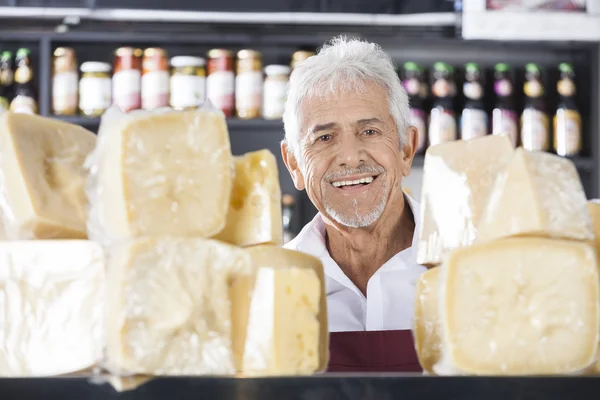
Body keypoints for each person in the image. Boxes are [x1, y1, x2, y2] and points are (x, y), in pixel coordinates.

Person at [281, 36, 425, 372]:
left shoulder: (471, 267)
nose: (349, 157)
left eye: (370, 131)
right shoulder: (269, 286)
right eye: (324, 138)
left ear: (406, 150)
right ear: (294, 165)